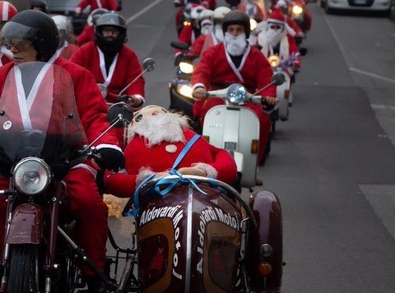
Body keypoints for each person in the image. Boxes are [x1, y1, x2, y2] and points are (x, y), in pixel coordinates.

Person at [0, 10, 124, 293]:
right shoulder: (2, 75)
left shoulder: (76, 75)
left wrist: (107, 145)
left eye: (21, 44)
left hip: (67, 157)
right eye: (10, 44)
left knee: (88, 201)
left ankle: (94, 269)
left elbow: (95, 116)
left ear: (42, 45)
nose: (12, 51)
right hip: (15, 157)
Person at [190, 10, 276, 165]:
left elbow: (266, 79)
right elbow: (202, 70)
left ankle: (255, 161)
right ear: (225, 32)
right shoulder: (213, 53)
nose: (235, 33)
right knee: (205, 114)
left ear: (246, 32)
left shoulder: (257, 56)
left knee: (262, 120)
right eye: (231, 30)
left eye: (239, 30)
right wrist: (200, 87)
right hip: (217, 96)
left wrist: (268, 95)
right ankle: (205, 156)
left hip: (247, 97)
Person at [101, 105, 238, 198]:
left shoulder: (189, 135)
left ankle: (158, 179)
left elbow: (112, 178)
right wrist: (207, 171)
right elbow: (226, 159)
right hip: (192, 194)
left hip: (162, 196)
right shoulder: (190, 135)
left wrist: (143, 180)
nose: (153, 114)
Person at [70, 12, 145, 109]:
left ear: (121, 33)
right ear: (100, 32)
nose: (110, 34)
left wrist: (136, 97)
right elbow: (71, 73)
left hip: (120, 107)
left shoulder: (129, 55)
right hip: (88, 104)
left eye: (114, 31)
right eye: (106, 31)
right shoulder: (85, 51)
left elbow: (136, 79)